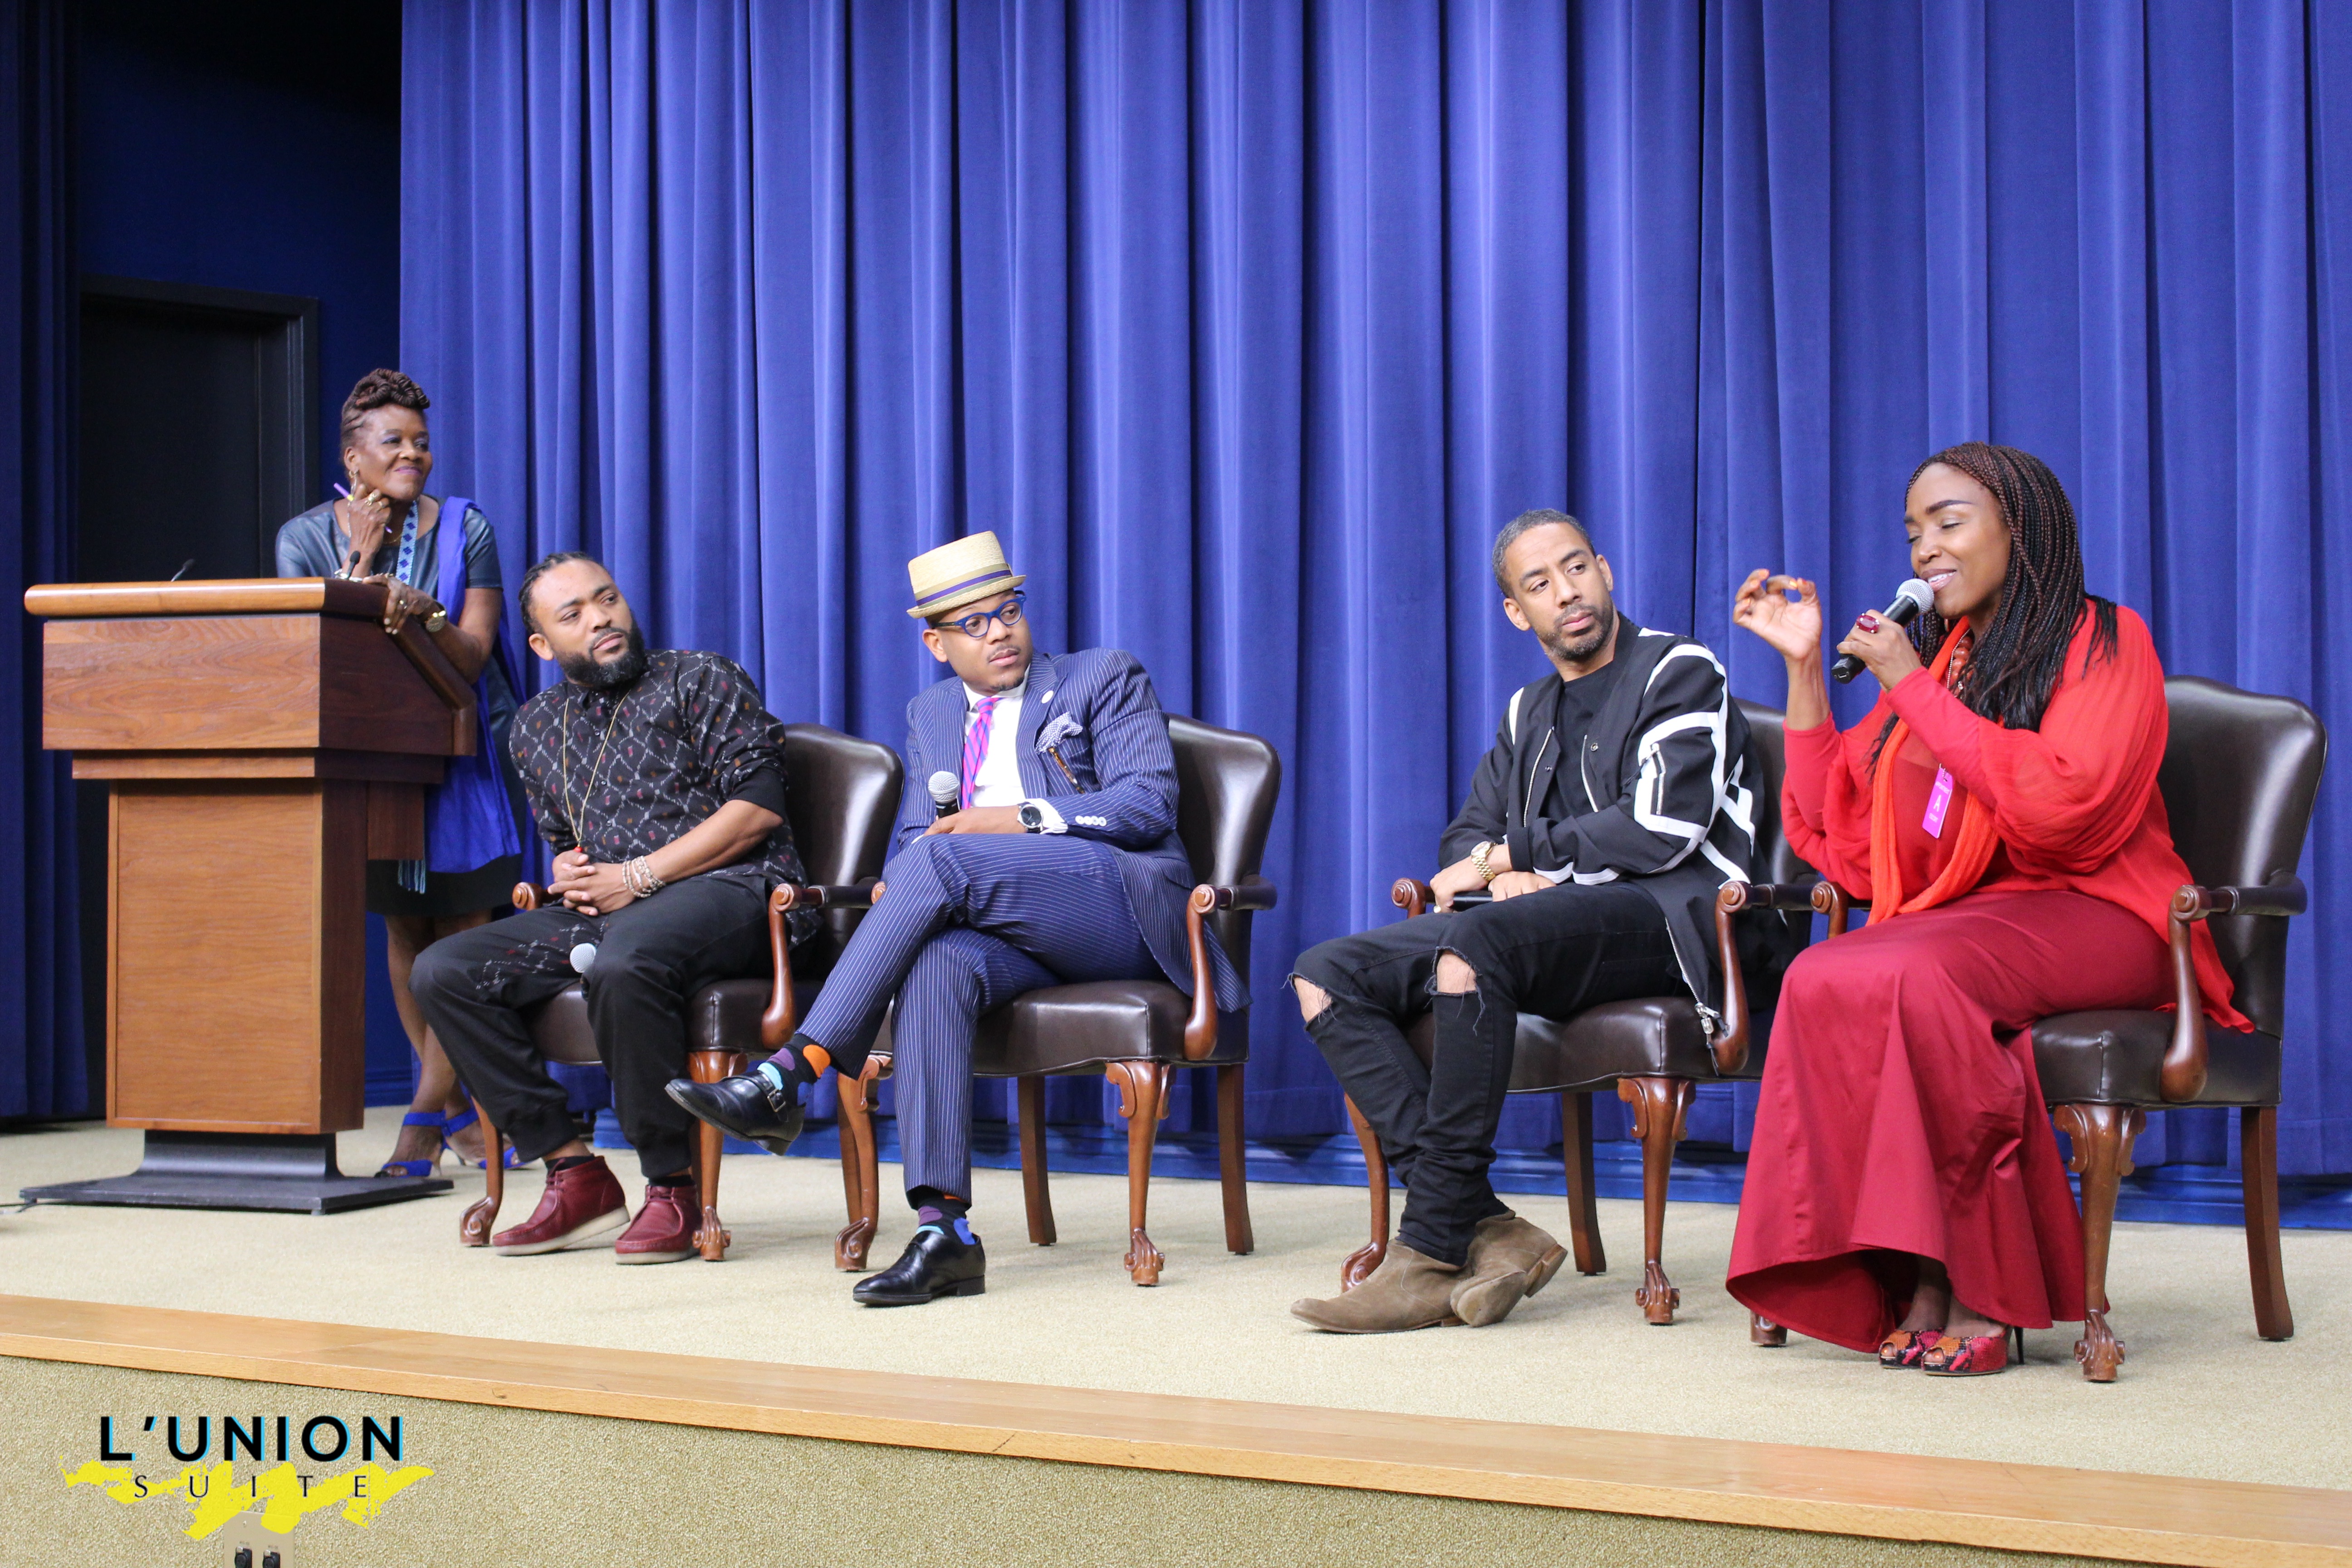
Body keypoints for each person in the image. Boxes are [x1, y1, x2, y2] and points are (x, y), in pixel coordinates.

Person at [1725, 441, 2245, 1376]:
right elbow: (1843, 834)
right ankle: (1917, 1274)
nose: (1925, 549)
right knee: (1823, 973)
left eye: (1949, 523)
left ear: (2022, 528)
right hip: (1975, 924)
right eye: (1912, 533)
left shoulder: (2105, 639)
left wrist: (1911, 687)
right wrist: (1806, 671)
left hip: (2107, 914)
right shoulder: (1945, 662)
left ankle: (1978, 1288)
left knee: (1915, 969)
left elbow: (2064, 807)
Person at [667, 530, 1244, 1305]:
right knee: (937, 964)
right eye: (973, 624)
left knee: (944, 862)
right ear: (936, 644)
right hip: (1009, 927)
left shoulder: (1102, 676)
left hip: (1119, 910)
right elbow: (916, 836)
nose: (999, 632)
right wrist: (906, 886)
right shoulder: (933, 712)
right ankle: (946, 1234)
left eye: (1008, 612)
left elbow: (1146, 805)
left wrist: (1013, 820)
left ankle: (790, 1072)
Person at [1286, 510, 1774, 1333]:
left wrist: (1516, 856)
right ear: (1518, 612)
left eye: (1576, 568)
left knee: (1476, 941)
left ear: (1605, 572)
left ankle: (1428, 1247)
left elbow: (1661, 830)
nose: (1567, 593)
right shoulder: (1528, 712)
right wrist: (1502, 868)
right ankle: (1487, 1224)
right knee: (1325, 974)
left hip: (1670, 922)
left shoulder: (1680, 670)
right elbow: (1463, 844)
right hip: (1555, 929)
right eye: (1540, 584)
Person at [409, 554, 818, 1263]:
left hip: (737, 891)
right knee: (444, 970)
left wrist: (638, 876)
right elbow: (568, 844)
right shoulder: (535, 728)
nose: (601, 619)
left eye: (607, 599)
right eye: (573, 615)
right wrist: (568, 870)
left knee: (626, 959)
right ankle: (573, 1172)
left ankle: (672, 1185)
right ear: (542, 646)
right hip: (612, 910)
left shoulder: (700, 678)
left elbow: (757, 812)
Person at [274, 369, 525, 1177]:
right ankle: (452, 1109)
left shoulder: (465, 529)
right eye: (394, 442)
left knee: (461, 934)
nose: (414, 454)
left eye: (421, 441)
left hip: (462, 753)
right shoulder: (302, 539)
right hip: (368, 759)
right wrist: (360, 557)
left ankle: (421, 1120)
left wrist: (428, 611)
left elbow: (474, 658)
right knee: (405, 931)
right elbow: (314, 657)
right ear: (353, 457)